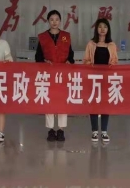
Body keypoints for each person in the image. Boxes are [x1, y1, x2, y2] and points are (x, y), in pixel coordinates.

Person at [35, 10, 75, 142]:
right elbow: (38, 56)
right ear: (48, 21)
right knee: (50, 101)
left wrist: (69, 61)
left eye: (57, 19)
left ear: (60, 21)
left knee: (62, 101)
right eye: (51, 19)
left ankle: (61, 129)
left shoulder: (66, 36)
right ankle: (51, 130)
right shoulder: (43, 37)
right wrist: (44, 62)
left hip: (63, 75)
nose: (54, 22)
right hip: (48, 74)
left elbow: (71, 55)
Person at [84, 19, 118, 143]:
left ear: (108, 29)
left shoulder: (112, 45)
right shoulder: (91, 44)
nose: (102, 29)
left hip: (107, 79)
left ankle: (104, 131)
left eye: (105, 27)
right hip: (93, 79)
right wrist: (90, 64)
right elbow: (86, 60)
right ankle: (94, 131)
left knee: (105, 104)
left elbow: (115, 61)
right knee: (93, 104)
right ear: (96, 29)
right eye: (100, 27)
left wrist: (111, 65)